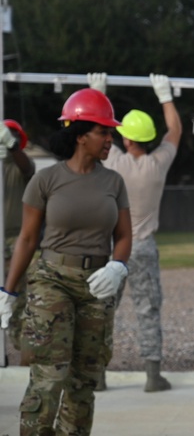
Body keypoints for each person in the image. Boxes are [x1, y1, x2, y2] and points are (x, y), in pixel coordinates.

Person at [0, 88, 131, 435]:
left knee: (83, 382)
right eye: (103, 131)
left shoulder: (114, 182)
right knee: (49, 375)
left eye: (110, 131)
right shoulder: (46, 179)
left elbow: (124, 236)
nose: (110, 138)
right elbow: (28, 239)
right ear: (80, 134)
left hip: (97, 285)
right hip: (52, 279)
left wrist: (119, 267)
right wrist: (9, 291)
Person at [90, 72, 180, 392]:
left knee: (102, 309)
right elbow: (175, 130)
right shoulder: (157, 164)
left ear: (125, 140)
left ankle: (98, 375)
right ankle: (153, 376)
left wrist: (98, 93)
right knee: (148, 309)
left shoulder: (113, 160)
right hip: (143, 246)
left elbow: (99, 131)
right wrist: (165, 95)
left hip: (113, 247)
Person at [1, 118, 35, 363]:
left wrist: (12, 146)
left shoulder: (21, 164)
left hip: (15, 239)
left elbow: (27, 168)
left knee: (20, 304)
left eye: (11, 135)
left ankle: (26, 362)